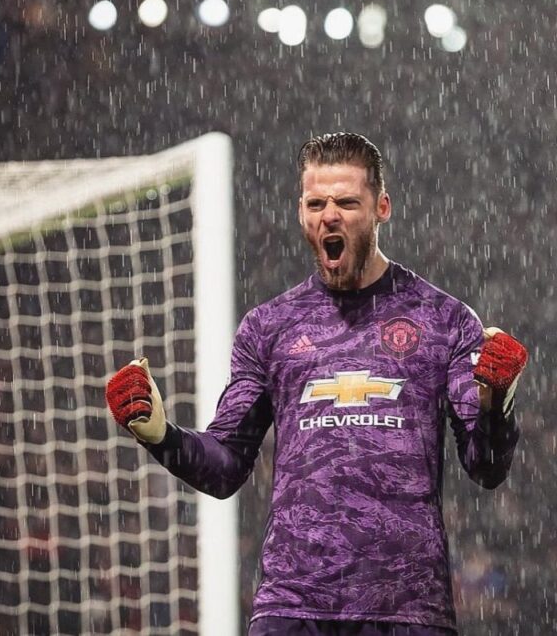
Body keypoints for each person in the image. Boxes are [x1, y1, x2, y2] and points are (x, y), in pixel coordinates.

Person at [106, 132, 528, 635]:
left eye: (346, 202)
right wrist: (160, 435)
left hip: (406, 607)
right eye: (315, 203)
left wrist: (496, 404)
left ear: (382, 208)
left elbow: (485, 466)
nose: (330, 215)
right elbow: (224, 467)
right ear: (301, 213)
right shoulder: (269, 327)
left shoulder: (444, 319)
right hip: (292, 606)